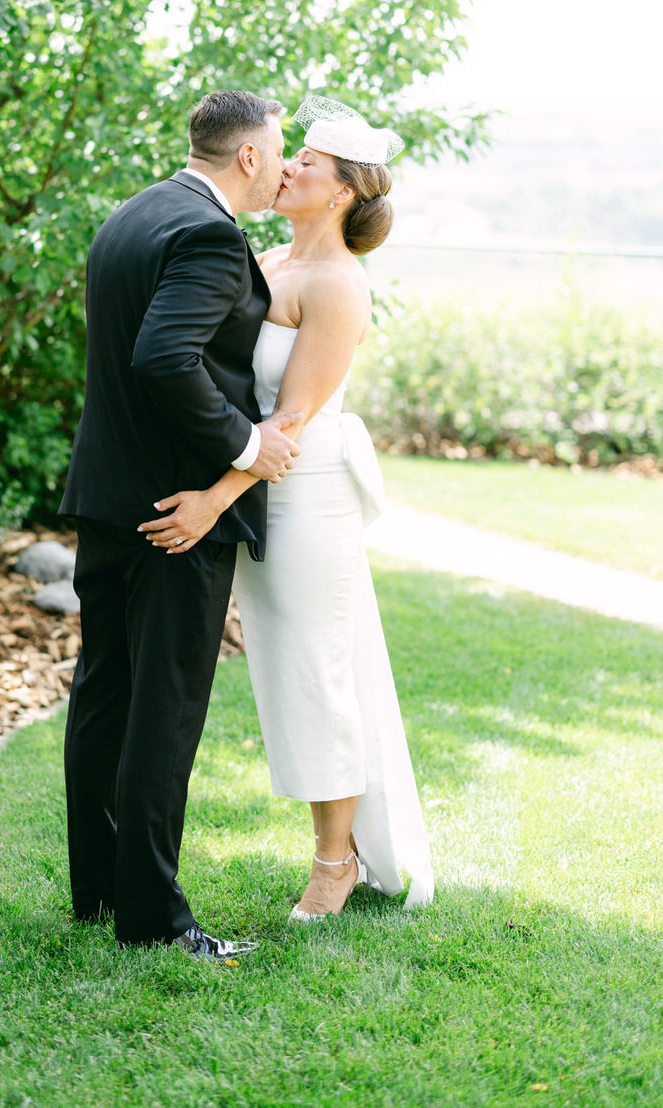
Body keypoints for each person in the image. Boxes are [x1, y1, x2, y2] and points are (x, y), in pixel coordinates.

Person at [139, 95, 434, 919]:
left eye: (306, 161)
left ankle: (333, 865)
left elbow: (290, 422)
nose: (287, 165)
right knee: (282, 671)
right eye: (292, 155)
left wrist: (211, 502)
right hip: (259, 487)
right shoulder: (266, 259)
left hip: (303, 499)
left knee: (315, 672)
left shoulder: (340, 284)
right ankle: (339, 846)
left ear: (340, 191)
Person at [60, 89, 302, 958]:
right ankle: (156, 923)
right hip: (176, 513)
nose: (281, 165)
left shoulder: (131, 214)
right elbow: (162, 356)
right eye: (279, 151)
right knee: (163, 707)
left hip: (108, 495)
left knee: (105, 694)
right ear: (248, 156)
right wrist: (246, 443)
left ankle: (98, 891)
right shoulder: (208, 235)